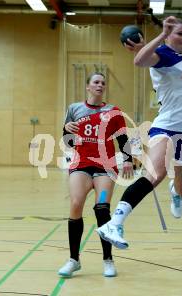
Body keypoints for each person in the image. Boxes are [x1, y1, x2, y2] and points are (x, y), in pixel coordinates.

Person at [97, 16, 182, 249]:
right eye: (179, 33)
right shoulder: (163, 54)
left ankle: (176, 192)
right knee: (155, 173)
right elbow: (139, 61)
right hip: (167, 125)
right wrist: (162, 35)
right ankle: (115, 222)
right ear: (168, 35)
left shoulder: (179, 60)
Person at [58, 72, 134, 277]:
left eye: (103, 83)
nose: (100, 85)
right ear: (88, 87)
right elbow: (67, 141)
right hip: (81, 164)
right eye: (96, 82)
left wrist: (127, 159)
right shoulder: (74, 109)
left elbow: (122, 138)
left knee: (102, 208)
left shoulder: (114, 111)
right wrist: (66, 129)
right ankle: (74, 260)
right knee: (75, 204)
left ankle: (108, 260)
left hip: (105, 167)